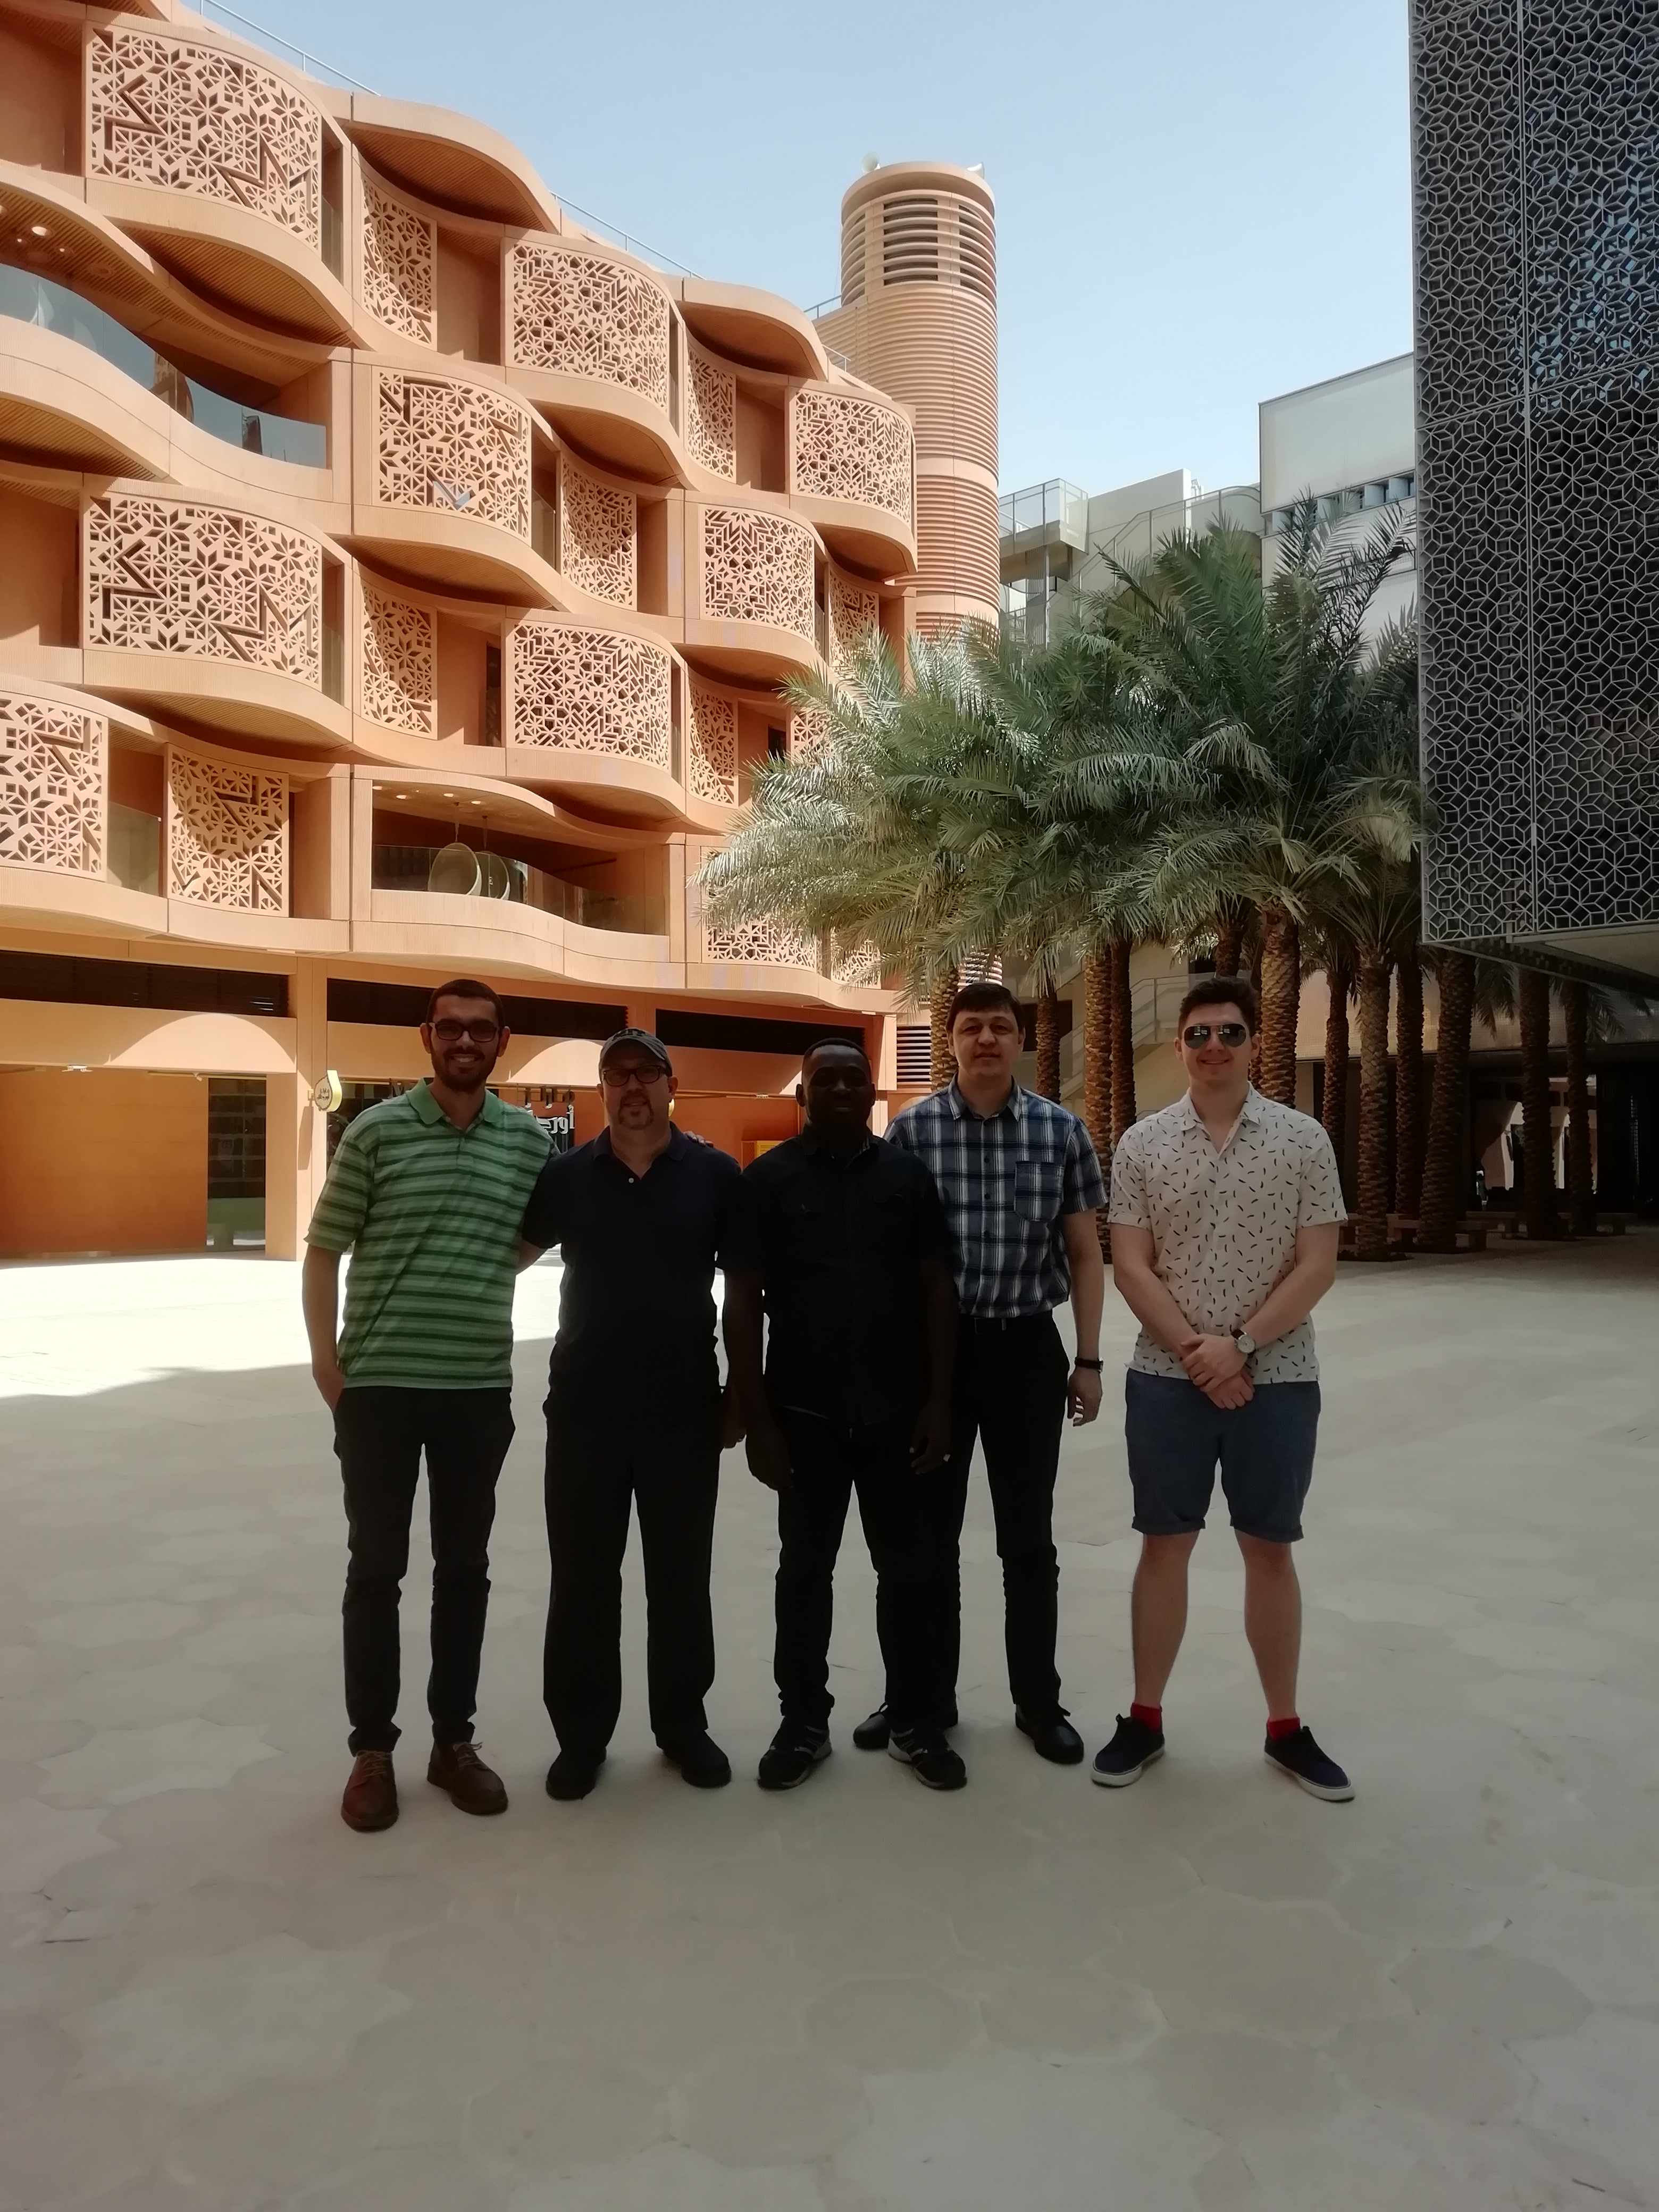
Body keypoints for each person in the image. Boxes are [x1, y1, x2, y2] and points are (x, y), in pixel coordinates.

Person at [1094, 975, 1352, 1800]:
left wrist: (1238, 1347)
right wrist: (1197, 1354)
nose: (1214, 1047)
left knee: (1268, 1550)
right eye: (1199, 1034)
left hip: (1277, 1379)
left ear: (1254, 1045)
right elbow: (1128, 1263)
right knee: (1163, 1545)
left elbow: (1318, 1265)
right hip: (1166, 1383)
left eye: (1230, 1033)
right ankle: (1144, 1718)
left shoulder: (1304, 1139)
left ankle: (1286, 1728)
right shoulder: (1141, 1144)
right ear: (1180, 1047)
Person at [303, 979, 551, 1833]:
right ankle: (372, 1753)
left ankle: (453, 1745)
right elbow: (322, 1251)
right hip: (378, 1393)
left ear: (502, 1042)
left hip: (476, 1394)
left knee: (464, 1573)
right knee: (376, 1572)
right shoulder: (374, 1132)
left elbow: (538, 1232)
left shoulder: (525, 1142)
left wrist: (483, 1267)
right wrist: (328, 1371)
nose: (465, 1042)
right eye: (451, 1028)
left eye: (481, 1031)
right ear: (426, 1037)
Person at [881, 978, 1107, 1766]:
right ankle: (926, 1701)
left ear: (1020, 1041)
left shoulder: (1060, 1132)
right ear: (951, 1040)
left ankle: (1037, 1703)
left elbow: (1084, 1252)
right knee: (929, 1539)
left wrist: (1087, 1360)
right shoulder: (909, 1135)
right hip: (934, 1363)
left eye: (1001, 1028)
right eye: (972, 1027)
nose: (986, 1040)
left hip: (1023, 1352)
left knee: (1027, 1539)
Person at [724, 1038, 961, 1791]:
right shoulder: (766, 1181)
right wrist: (758, 1421)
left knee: (911, 1574)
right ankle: (803, 1723)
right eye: (823, 1079)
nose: (838, 1090)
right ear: (802, 1093)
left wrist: (940, 1402)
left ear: (870, 1094)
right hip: (805, 1417)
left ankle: (917, 1721)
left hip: (898, 1414)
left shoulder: (908, 1177)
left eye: (851, 1080)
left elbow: (936, 1290)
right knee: (803, 1576)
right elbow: (742, 1306)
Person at [518, 1028, 743, 1800]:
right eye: (617, 1076)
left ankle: (682, 1726)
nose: (632, 1088)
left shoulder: (714, 1174)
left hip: (683, 1413)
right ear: (602, 1091)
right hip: (583, 1412)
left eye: (646, 1073)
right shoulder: (568, 1176)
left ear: (670, 1085)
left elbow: (746, 1288)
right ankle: (581, 1738)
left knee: (681, 1580)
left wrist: (742, 1393)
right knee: (582, 1583)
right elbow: (503, 1254)